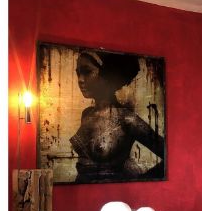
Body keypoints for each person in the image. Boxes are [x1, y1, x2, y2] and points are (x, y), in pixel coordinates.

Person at [69, 50, 164, 183]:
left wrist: (140, 181)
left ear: (107, 75)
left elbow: (169, 154)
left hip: (109, 192)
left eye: (87, 72)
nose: (80, 80)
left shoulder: (127, 119)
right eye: (78, 73)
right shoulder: (86, 114)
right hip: (80, 190)